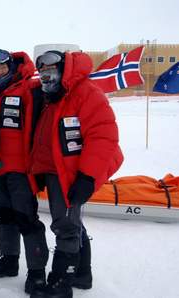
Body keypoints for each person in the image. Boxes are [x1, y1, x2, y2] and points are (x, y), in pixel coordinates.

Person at [28, 50, 123, 298]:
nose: (46, 76)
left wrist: (87, 176)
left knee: (66, 226)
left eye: (51, 71)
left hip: (73, 173)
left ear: (64, 69)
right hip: (53, 170)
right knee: (72, 222)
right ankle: (82, 273)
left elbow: (103, 136)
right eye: (43, 72)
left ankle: (61, 283)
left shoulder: (85, 93)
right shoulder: (52, 94)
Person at [0, 49, 49, 294]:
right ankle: (9, 260)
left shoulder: (30, 88)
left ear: (12, 67)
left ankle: (37, 273)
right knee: (3, 215)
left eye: (3, 67)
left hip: (22, 169)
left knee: (26, 219)